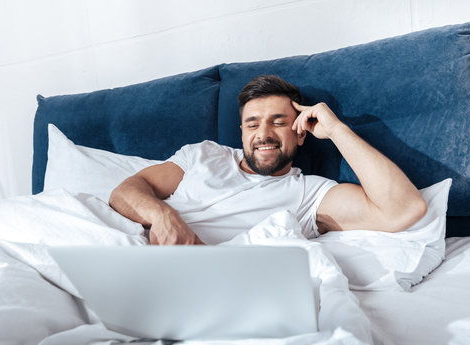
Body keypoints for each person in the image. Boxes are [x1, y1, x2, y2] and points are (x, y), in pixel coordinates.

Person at [109, 75, 427, 245]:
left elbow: (404, 210)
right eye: (252, 123)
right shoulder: (203, 154)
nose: (263, 134)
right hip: (131, 246)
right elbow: (126, 192)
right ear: (242, 132)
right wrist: (164, 216)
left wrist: (337, 131)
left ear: (301, 132)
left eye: (277, 121)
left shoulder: (309, 194)